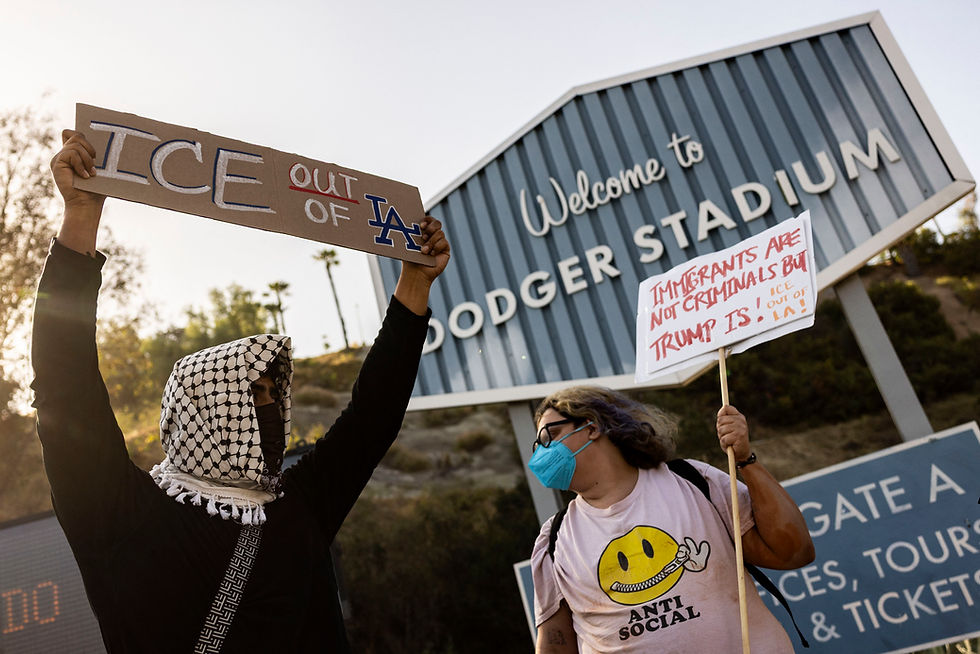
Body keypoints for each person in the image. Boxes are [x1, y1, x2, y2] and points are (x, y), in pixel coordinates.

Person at [31, 130, 450, 652]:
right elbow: (63, 385)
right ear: (205, 412)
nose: (274, 415)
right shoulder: (121, 515)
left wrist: (414, 285)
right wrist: (81, 217)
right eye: (255, 398)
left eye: (277, 397)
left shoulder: (299, 505)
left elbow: (373, 416)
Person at [527, 386, 815, 653]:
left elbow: (792, 552)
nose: (541, 453)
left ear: (591, 427)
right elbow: (555, 643)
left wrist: (744, 459)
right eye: (536, 446)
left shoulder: (693, 481)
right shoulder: (554, 539)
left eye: (547, 437)